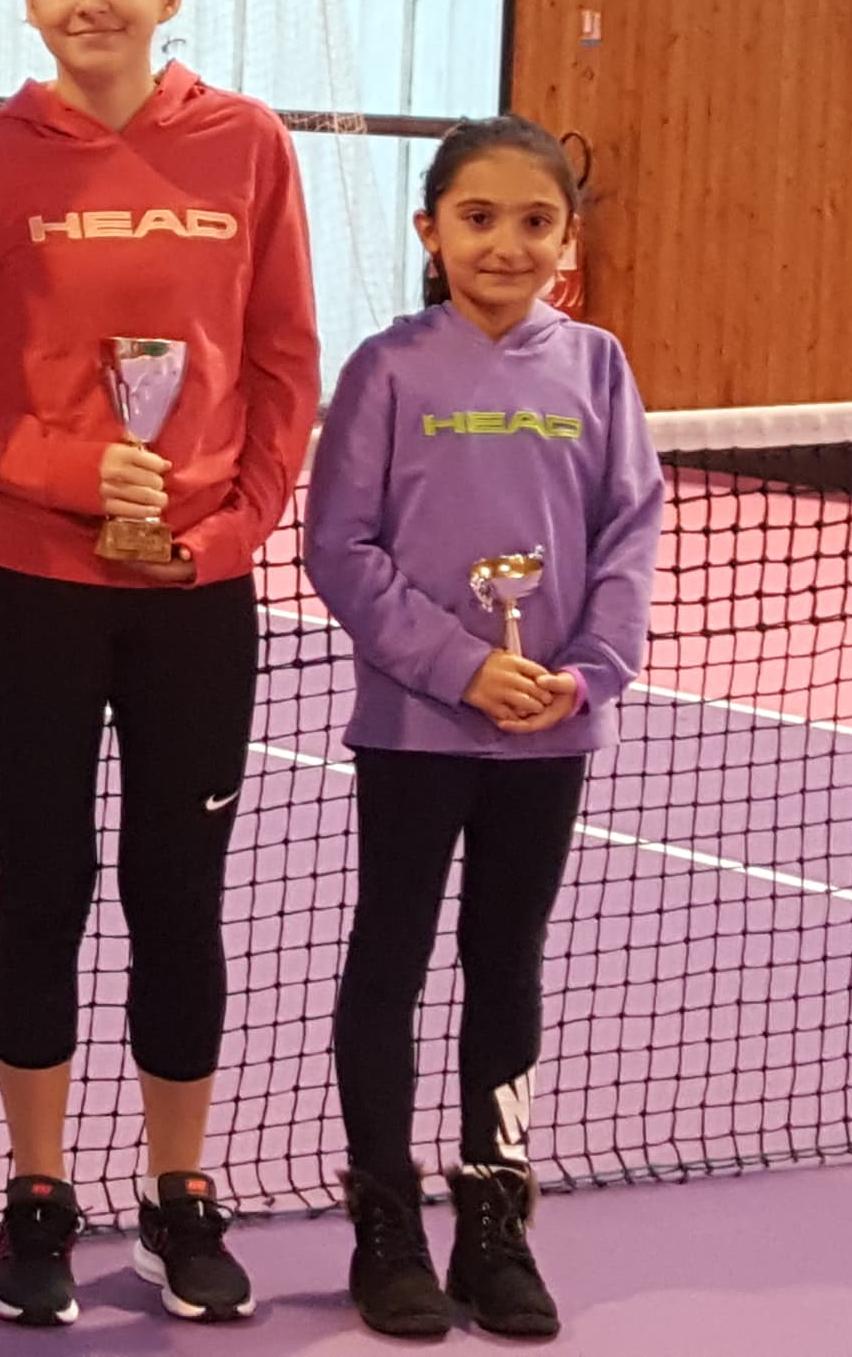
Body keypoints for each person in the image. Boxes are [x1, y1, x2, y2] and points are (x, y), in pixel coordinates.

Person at [0, 0, 319, 1328]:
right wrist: (60, 469)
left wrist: (230, 534)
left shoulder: (248, 144)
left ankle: (177, 1195)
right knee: (44, 884)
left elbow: (285, 363)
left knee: (178, 895)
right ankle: (38, 1194)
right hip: (33, 590)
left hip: (197, 599)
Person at [307, 117, 658, 1343]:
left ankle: (495, 1222)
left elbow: (630, 532)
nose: (506, 244)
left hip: (548, 737)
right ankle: (386, 1227)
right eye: (477, 218)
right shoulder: (387, 370)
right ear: (430, 232)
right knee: (391, 960)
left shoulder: (598, 369)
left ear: (568, 238)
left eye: (534, 222)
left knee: (506, 963)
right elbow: (340, 549)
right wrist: (462, 669)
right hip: (415, 732)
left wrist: (586, 675)